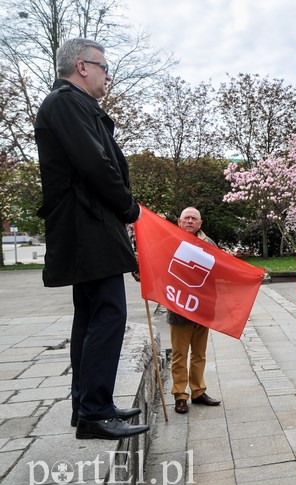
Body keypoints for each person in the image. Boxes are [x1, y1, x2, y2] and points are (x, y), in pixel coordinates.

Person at [35, 38, 147, 440]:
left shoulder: (72, 105)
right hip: (88, 226)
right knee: (108, 313)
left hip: (87, 227)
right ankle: (94, 410)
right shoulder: (66, 103)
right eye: (103, 67)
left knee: (91, 316)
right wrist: (128, 208)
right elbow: (95, 163)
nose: (107, 75)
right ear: (82, 66)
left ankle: (87, 406)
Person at [168, 207, 221, 414]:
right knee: (179, 355)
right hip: (179, 308)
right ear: (179, 221)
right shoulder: (169, 241)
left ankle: (198, 392)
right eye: (186, 218)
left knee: (199, 354)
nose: (190, 221)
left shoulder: (209, 245)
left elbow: (220, 270)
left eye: (194, 218)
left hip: (202, 308)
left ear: (200, 223)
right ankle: (180, 395)